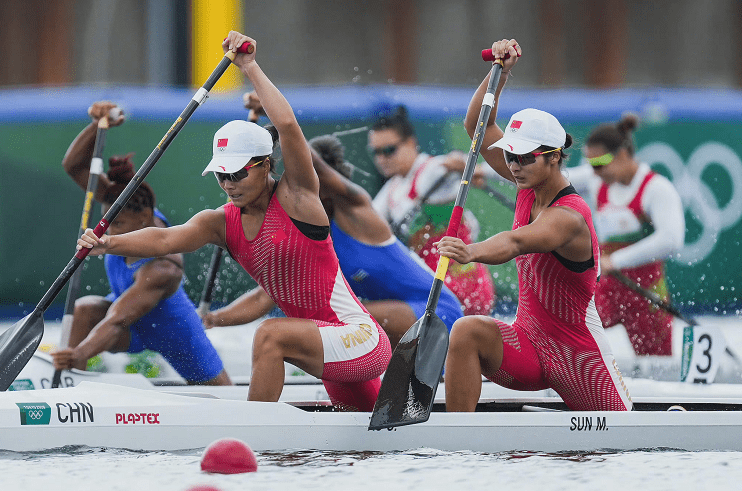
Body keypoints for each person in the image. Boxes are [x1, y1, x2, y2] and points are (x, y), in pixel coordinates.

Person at [77, 32, 392, 411]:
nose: (228, 184)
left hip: (359, 339)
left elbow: (289, 126)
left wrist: (249, 66)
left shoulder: (298, 197)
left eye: (237, 174)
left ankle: (249, 436)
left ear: (265, 165)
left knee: (269, 335)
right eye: (221, 175)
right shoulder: (219, 223)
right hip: (323, 351)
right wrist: (107, 243)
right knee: (365, 448)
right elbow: (164, 241)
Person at [437, 38, 632, 412]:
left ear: (555, 157)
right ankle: (459, 443)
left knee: (623, 455)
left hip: (579, 359)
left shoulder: (570, 216)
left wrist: (470, 251)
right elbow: (476, 124)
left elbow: (515, 242)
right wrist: (500, 72)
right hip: (528, 346)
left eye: (525, 157)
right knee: (465, 331)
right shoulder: (526, 179)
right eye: (510, 154)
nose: (514, 165)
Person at [207, 92, 464, 350]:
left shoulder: (355, 210)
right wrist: (209, 319)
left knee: (329, 317)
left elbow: (312, 166)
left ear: (326, 188)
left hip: (438, 313)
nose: (291, 195)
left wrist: (274, 122)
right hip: (398, 325)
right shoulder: (306, 236)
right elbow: (266, 297)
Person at [52, 101, 231, 386]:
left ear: (145, 218)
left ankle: (72, 362)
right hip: (130, 328)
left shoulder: (164, 269)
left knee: (225, 397)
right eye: (108, 222)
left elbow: (117, 320)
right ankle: (71, 388)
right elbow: (73, 166)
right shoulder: (120, 209)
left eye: (118, 225)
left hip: (174, 334)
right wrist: (99, 126)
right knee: (84, 309)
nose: (108, 230)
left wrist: (78, 352)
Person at [567, 114, 685, 356]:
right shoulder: (598, 179)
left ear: (621, 155)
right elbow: (548, 178)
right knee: (571, 340)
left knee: (657, 368)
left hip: (646, 293)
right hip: (606, 288)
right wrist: (483, 172)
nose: (594, 172)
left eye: (599, 164)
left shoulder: (656, 188)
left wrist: (615, 261)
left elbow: (672, 240)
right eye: (590, 165)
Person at [369, 105, 496, 316]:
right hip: (434, 289)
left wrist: (455, 162)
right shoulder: (392, 189)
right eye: (376, 152)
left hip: (465, 287)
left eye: (389, 150)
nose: (382, 158)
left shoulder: (428, 171)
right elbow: (365, 221)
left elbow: (443, 166)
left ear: (411, 143)